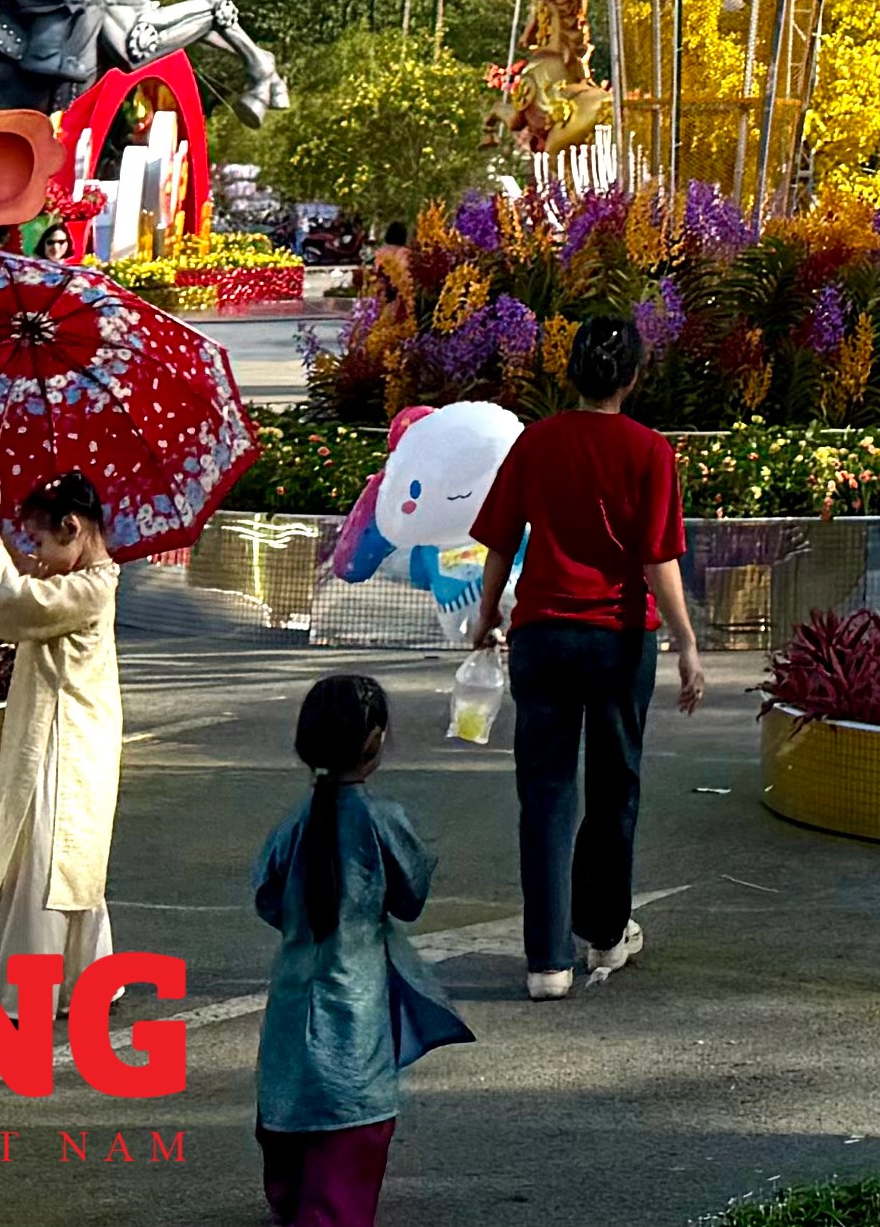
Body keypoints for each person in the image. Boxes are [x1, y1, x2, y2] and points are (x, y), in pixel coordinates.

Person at [461, 312, 705, 995]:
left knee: (545, 793)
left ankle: (546, 962)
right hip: (619, 639)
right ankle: (603, 934)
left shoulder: (536, 442)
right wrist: (687, 643)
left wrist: (487, 614)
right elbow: (657, 559)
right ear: (633, 376)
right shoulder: (650, 451)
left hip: (542, 635)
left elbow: (501, 540)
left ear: (570, 371)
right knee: (614, 787)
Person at [249, 670, 471, 1227]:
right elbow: (410, 897)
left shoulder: (291, 826)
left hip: (292, 1005)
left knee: (287, 1118)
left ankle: (290, 1199)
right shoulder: (382, 820)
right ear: (374, 742)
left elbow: (268, 899)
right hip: (355, 1010)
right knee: (348, 1135)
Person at [0, 468, 129, 980]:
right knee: (67, 861)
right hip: (70, 733)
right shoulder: (85, 580)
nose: (34, 552)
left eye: (39, 540)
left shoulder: (88, 590)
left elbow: (20, 603)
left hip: (65, 741)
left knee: (50, 860)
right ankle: (83, 979)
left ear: (72, 527)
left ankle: (34, 985)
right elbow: (28, 588)